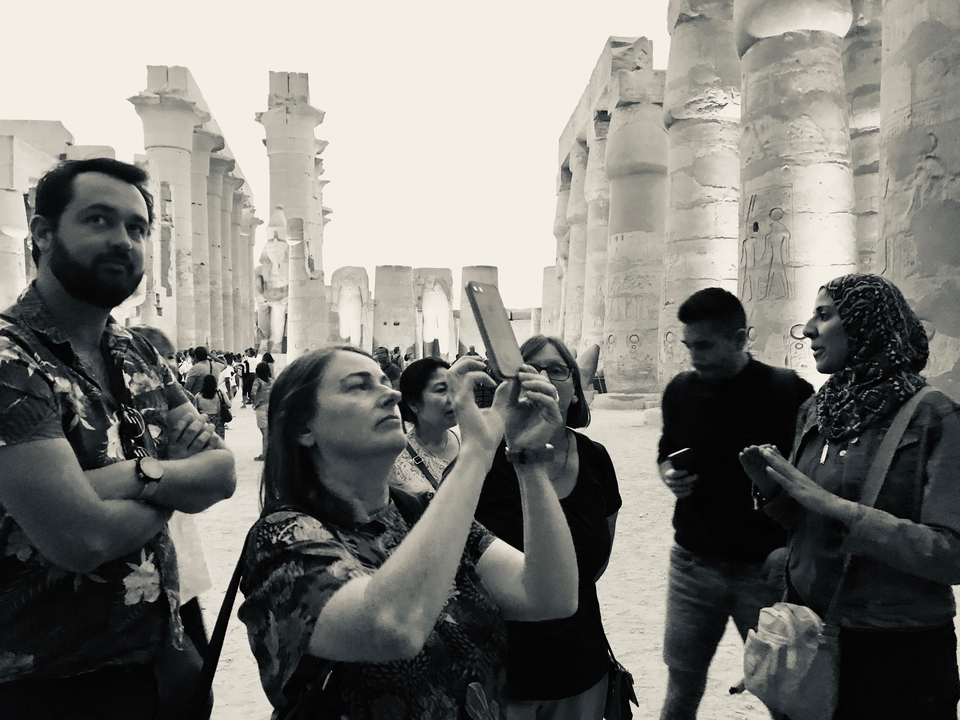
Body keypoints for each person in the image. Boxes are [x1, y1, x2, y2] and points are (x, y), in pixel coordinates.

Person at [0, 158, 236, 718]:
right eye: (100, 220)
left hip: (165, 654)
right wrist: (166, 477)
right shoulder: (10, 362)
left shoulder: (138, 351)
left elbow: (223, 474)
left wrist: (123, 481)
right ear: (41, 232)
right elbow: (82, 539)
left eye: (137, 228)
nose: (123, 241)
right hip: (52, 685)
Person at [237, 345, 578, 718]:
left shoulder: (422, 511)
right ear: (304, 427)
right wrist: (477, 452)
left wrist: (528, 460)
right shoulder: (281, 537)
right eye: (358, 387)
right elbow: (393, 625)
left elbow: (550, 595)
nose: (392, 393)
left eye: (385, 381)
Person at [741, 274, 960, 719]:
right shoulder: (818, 408)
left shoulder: (934, 416)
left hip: (897, 653)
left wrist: (834, 507)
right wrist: (772, 489)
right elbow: (805, 525)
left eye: (824, 315)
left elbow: (951, 555)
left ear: (865, 323)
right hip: (811, 636)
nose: (807, 329)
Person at [657, 287, 813, 720]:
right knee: (683, 684)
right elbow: (666, 451)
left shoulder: (788, 393)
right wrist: (668, 475)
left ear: (741, 338)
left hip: (765, 570)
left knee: (783, 695)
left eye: (704, 345)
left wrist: (791, 551)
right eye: (688, 345)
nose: (693, 356)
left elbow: (814, 484)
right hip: (692, 565)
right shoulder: (680, 392)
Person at [474, 335, 622, 719]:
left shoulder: (595, 458)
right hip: (503, 668)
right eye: (531, 369)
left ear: (575, 391)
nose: (543, 377)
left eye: (557, 370)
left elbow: (598, 559)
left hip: (580, 660)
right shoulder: (483, 461)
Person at [130, 325, 215, 661]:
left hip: (178, 560)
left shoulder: (175, 409)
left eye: (168, 363)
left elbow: (217, 472)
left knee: (195, 666)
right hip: (145, 565)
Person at [392, 356, 473, 493]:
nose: (454, 398)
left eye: (454, 389)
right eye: (441, 390)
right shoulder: (397, 461)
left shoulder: (469, 442)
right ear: (413, 404)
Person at [194, 373, 231, 439]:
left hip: (204, 422)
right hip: (218, 421)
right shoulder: (220, 393)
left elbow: (195, 410)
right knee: (219, 441)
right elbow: (229, 405)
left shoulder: (198, 396)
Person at [251, 361, 273, 461]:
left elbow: (253, 393)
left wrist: (254, 403)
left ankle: (265, 454)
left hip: (261, 408)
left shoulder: (258, 381)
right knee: (269, 432)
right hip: (270, 407)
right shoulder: (272, 381)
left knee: (264, 433)